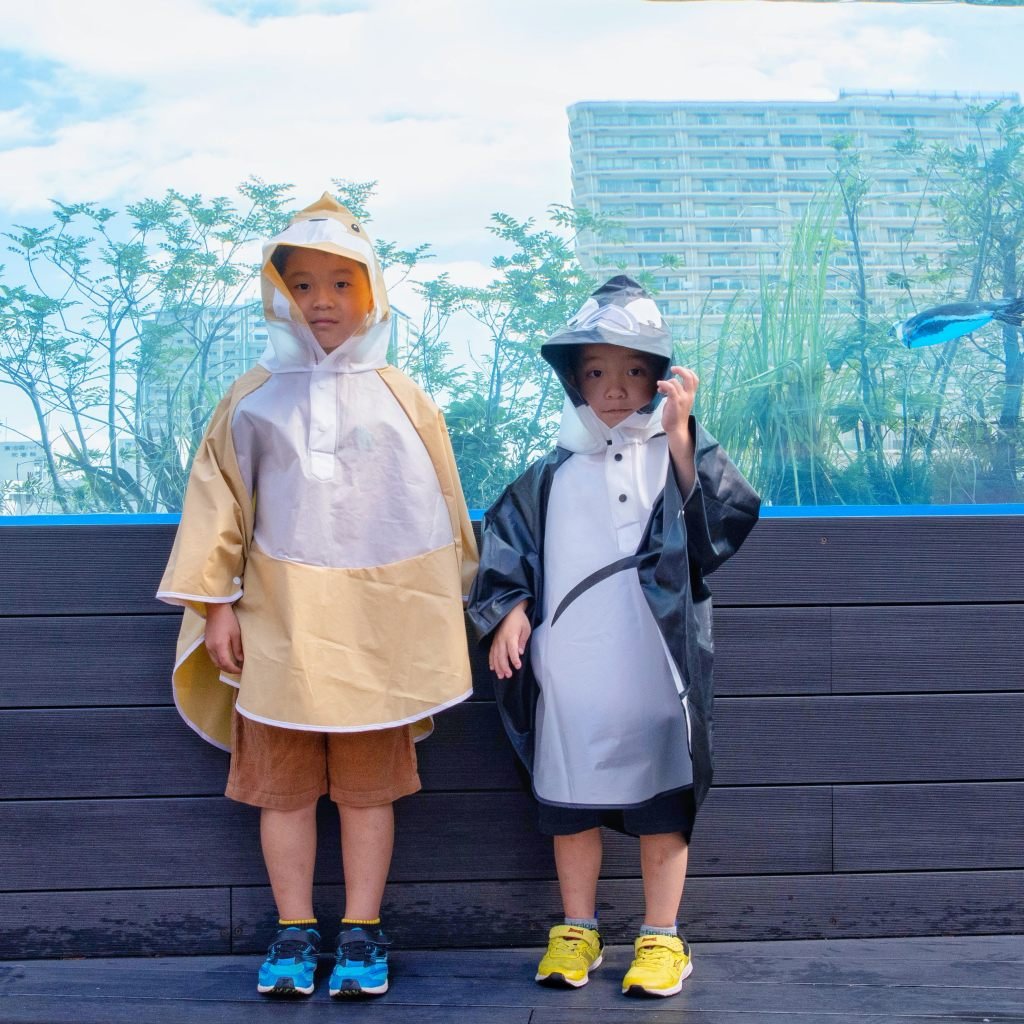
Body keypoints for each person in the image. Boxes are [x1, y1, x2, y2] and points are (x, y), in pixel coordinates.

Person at [157, 193, 477, 999]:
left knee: (370, 790)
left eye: (342, 282)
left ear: (372, 292)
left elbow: (440, 511)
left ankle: (363, 931)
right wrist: (218, 604)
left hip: (379, 628)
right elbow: (218, 502)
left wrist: (442, 610)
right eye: (303, 284)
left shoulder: (405, 396)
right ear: (278, 293)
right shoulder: (253, 396)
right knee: (283, 788)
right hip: (281, 626)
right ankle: (295, 930)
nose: (322, 301)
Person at [468, 276, 759, 999]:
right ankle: (577, 927)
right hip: (572, 670)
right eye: (597, 371)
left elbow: (720, 531)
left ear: (660, 378)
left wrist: (684, 436)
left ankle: (662, 936)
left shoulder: (675, 455)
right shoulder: (547, 477)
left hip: (657, 669)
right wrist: (508, 611)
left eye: (634, 371)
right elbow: (502, 552)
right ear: (574, 380)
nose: (615, 388)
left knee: (666, 804)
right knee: (569, 802)